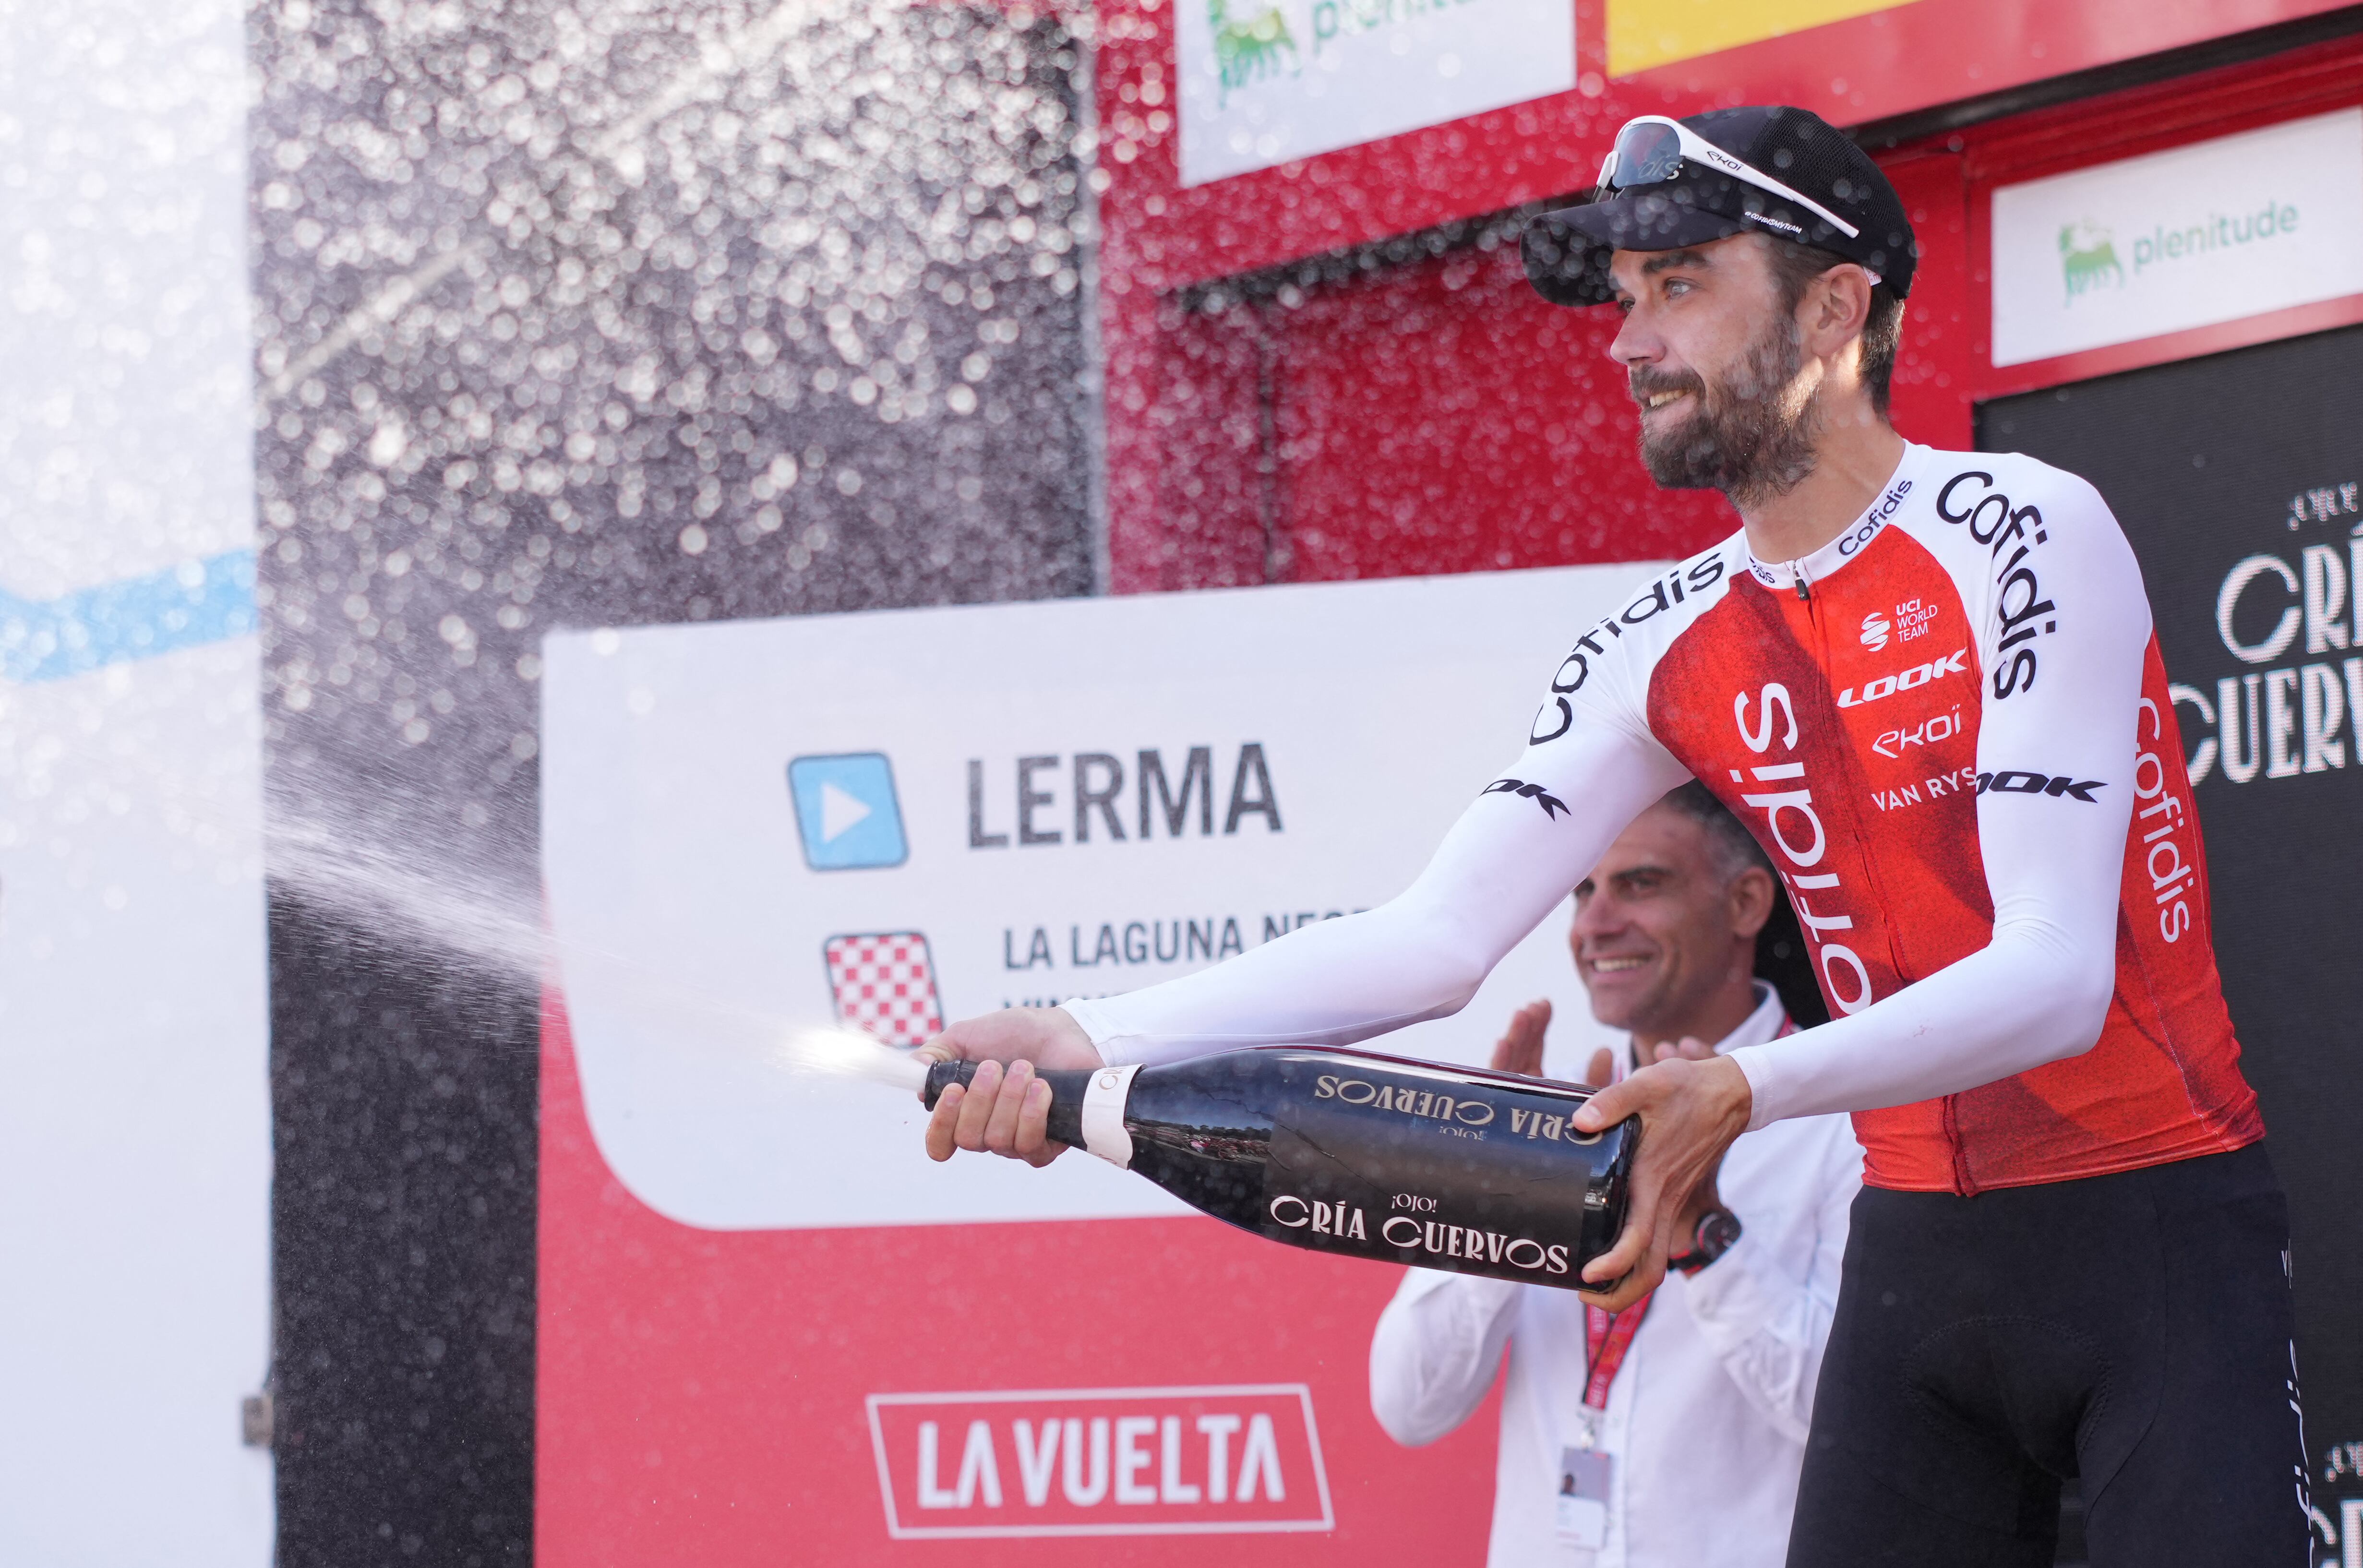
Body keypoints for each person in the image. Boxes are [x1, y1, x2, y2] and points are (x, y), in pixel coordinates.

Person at [920, 105, 2304, 1566]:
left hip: (2152, 1235)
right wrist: (1087, 1028)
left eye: (1681, 284)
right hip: (1914, 1257)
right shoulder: (1659, 636)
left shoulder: (2021, 526)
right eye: (1628, 296)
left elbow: (2053, 975)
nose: (1630, 340)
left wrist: (1742, 1089)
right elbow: (1432, 937)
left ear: (1834, 309)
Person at [1369, 784, 1860, 1567]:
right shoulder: (1546, 1117)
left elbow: (1856, 1428)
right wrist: (1502, 1201)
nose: (1594, 924)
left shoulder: (1849, 1122)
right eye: (1583, 891)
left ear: (1745, 902)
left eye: (1641, 884)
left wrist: (1705, 1237)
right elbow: (1410, 1406)